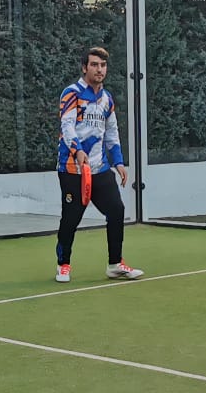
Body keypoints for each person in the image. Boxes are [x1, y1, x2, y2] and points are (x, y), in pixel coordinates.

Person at [54, 47, 144, 284]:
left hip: (100, 169)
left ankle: (115, 264)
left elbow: (111, 132)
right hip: (72, 169)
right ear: (84, 67)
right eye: (94, 65)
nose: (99, 69)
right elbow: (67, 126)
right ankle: (63, 265)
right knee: (71, 219)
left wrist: (119, 162)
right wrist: (78, 150)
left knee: (116, 210)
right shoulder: (72, 93)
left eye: (103, 65)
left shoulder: (107, 99)